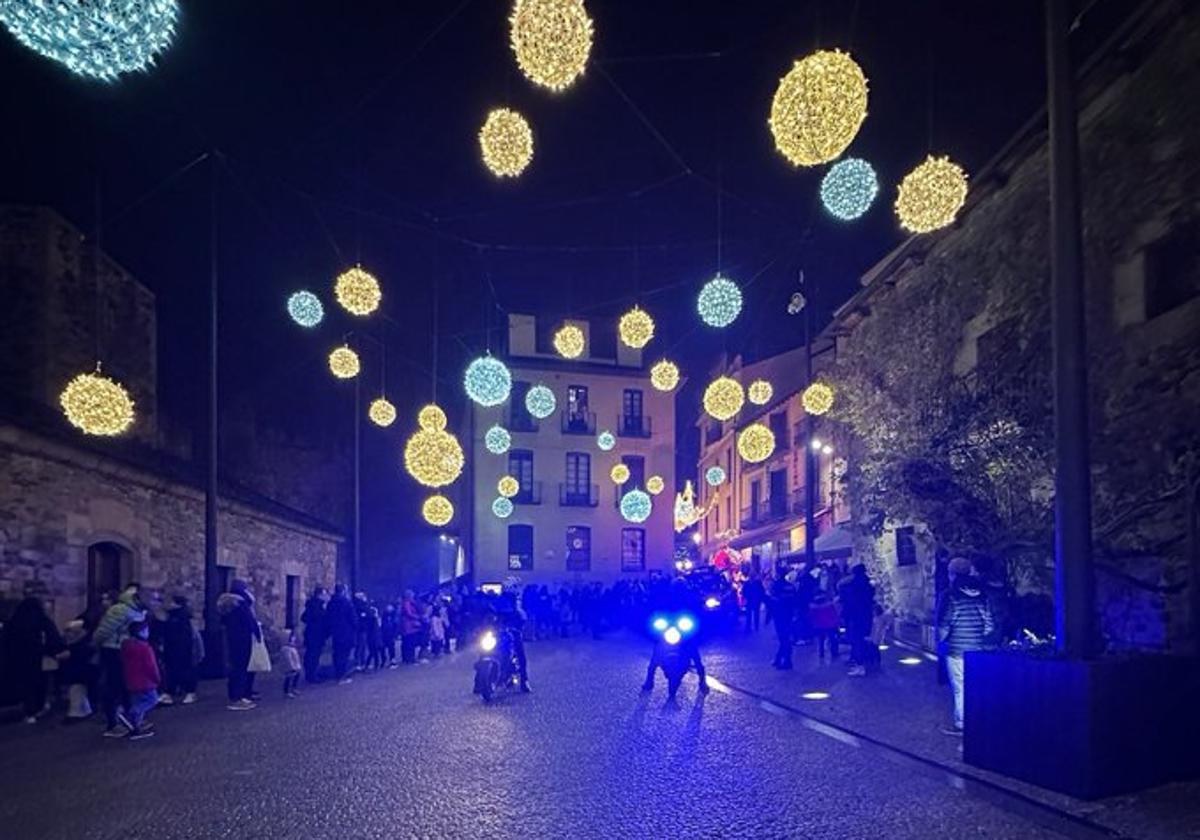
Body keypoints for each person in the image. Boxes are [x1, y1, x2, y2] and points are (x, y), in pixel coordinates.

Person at [936, 557, 995, 735]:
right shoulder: (982, 594)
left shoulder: (950, 595)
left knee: (960, 687)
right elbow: (989, 624)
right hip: (978, 649)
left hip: (956, 649)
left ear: (952, 574)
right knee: (976, 685)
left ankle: (961, 724)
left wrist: (941, 639)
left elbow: (944, 624)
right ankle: (979, 719)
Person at [92, 584, 146, 736]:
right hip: (114, 650)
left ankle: (129, 719)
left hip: (129, 651)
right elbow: (103, 632)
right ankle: (112, 723)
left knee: (126, 685)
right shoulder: (120, 610)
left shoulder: (138, 610)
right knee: (114, 684)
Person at [2, 596, 64, 724]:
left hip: (18, 660)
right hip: (39, 659)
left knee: (24, 685)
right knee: (39, 684)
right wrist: (54, 651)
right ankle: (36, 709)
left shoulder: (15, 622)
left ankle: (28, 709)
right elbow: (53, 638)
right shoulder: (43, 621)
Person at [218, 581, 259, 711]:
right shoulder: (241, 603)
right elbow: (249, 621)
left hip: (233, 638)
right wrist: (257, 633)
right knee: (242, 666)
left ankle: (238, 693)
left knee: (237, 666)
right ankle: (238, 697)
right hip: (242, 638)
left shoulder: (227, 604)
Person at [119, 621, 159, 740]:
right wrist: (157, 678)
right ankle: (128, 715)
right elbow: (151, 666)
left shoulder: (126, 646)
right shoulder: (145, 648)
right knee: (151, 700)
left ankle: (135, 728)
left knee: (137, 701)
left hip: (131, 680)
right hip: (146, 680)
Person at [160, 595, 200, 705]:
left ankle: (183, 691)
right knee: (177, 669)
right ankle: (178, 691)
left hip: (179, 646)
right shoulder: (179, 615)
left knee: (179, 669)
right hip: (177, 646)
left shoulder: (178, 616)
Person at [839, 564, 876, 677]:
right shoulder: (868, 584)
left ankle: (860, 666)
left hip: (856, 616)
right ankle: (861, 662)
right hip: (866, 615)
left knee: (857, 639)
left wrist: (845, 613)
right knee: (862, 639)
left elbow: (849, 600)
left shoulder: (854, 585)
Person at [59, 619, 96, 720]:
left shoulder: (78, 646)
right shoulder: (84, 644)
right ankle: (84, 711)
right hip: (81, 673)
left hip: (78, 673)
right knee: (79, 692)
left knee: (76, 692)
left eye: (69, 632)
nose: (67, 634)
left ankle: (75, 714)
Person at [326, 584, 357, 683]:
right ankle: (341, 676)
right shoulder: (346, 603)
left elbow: (328, 617)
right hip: (346, 632)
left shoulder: (331, 603)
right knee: (344, 654)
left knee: (337, 653)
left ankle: (337, 674)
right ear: (343, 591)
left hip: (335, 632)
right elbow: (353, 618)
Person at [301, 586, 328, 684]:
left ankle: (311, 674)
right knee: (313, 655)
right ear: (320, 595)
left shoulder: (313, 605)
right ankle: (311, 675)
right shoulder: (317, 606)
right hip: (316, 634)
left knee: (312, 654)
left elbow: (304, 618)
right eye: (324, 594)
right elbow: (319, 619)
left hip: (312, 634)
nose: (326, 596)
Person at [769, 572, 796, 670]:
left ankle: (786, 660)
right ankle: (779, 658)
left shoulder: (776, 586)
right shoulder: (790, 587)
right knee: (785, 637)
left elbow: (773, 601)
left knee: (783, 638)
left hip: (779, 615)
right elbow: (794, 600)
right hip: (788, 615)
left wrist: (769, 616)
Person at [809, 591, 840, 663]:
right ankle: (834, 652)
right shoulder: (829, 604)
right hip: (829, 624)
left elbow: (812, 617)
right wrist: (836, 622)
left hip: (819, 625)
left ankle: (821, 653)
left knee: (821, 640)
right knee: (832, 639)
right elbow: (833, 614)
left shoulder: (813, 606)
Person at [399, 590, 422, 665]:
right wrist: (417, 617)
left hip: (408, 625)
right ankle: (410, 658)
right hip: (409, 625)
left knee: (408, 642)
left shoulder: (408, 603)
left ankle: (408, 658)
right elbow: (409, 613)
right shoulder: (407, 603)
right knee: (410, 642)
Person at [280, 630, 302, 698]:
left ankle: (294, 688)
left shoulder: (292, 648)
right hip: (290, 667)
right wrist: (291, 666)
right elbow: (288, 659)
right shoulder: (286, 649)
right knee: (288, 678)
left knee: (296, 676)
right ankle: (287, 691)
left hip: (296, 666)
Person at [380, 603, 399, 668]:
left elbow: (396, 625)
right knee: (382, 647)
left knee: (391, 647)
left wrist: (395, 635)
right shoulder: (384, 616)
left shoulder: (394, 616)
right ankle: (384, 659)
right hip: (384, 633)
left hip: (391, 633)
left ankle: (392, 659)